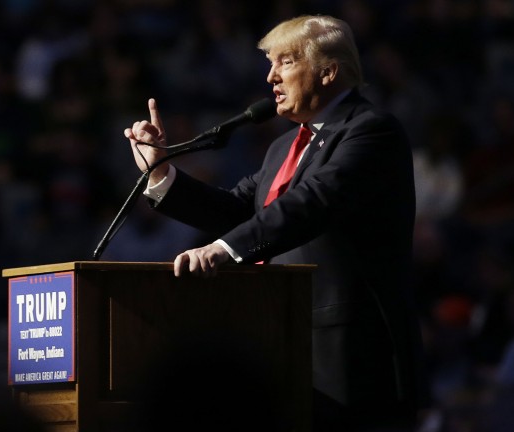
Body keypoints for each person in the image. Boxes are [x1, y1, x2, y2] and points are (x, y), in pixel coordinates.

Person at [124, 15, 424, 431]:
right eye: (270, 63)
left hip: (348, 358)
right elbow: (237, 212)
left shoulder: (370, 132)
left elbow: (311, 203)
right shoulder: (284, 146)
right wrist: (160, 174)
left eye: (284, 62)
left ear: (328, 71)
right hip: (277, 342)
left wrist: (222, 250)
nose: (270, 77)